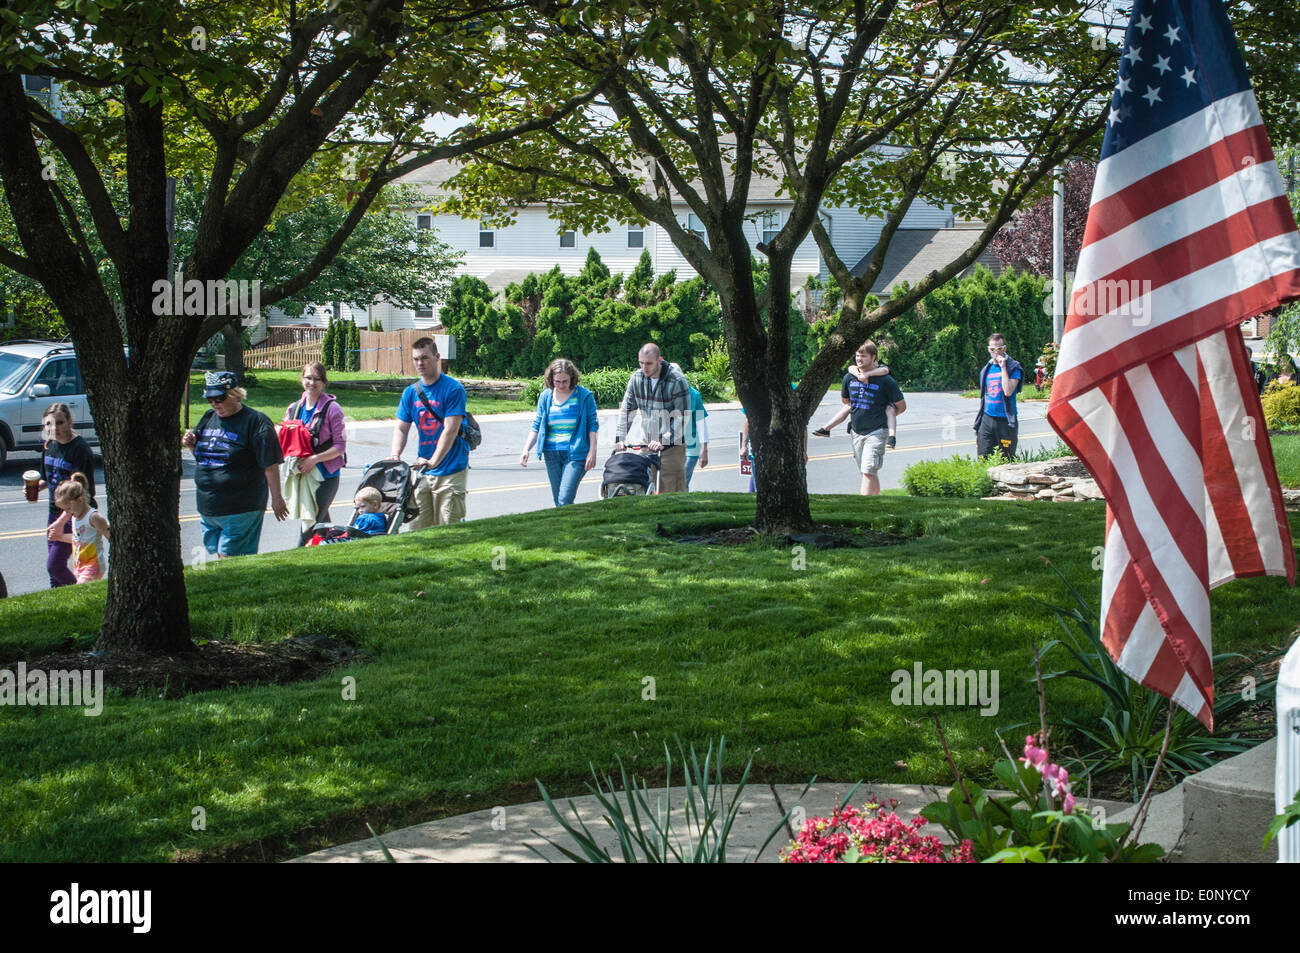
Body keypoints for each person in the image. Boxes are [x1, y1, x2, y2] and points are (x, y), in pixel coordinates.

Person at [182, 371, 288, 557]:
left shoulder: (256, 422)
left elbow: (270, 465)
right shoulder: (208, 418)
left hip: (241, 506)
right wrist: (192, 446)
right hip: (208, 507)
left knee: (231, 560)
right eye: (210, 399)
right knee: (222, 558)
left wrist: (277, 499)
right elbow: (205, 458)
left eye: (219, 398)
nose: (214, 404)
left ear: (234, 394)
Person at [391, 337, 469, 528]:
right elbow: (401, 427)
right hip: (423, 471)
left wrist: (433, 461)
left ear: (437, 357)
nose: (420, 363)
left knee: (448, 528)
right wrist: (395, 455)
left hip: (451, 470)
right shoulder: (411, 392)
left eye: (425, 358)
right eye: (416, 359)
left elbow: (450, 430)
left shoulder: (453, 389)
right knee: (418, 529)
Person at [31, 402, 97, 588]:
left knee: (55, 566)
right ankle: (57, 608)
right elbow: (48, 479)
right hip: (54, 512)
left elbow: (83, 492)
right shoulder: (49, 446)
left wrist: (61, 522)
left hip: (75, 515)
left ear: (69, 421)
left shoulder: (79, 449)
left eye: (59, 423)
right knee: (54, 573)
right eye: (49, 424)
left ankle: (82, 592)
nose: (54, 428)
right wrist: (36, 487)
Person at [519, 358, 600, 507]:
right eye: (557, 381)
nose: (561, 385)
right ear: (551, 379)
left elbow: (593, 425)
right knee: (558, 501)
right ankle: (568, 529)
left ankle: (572, 528)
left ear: (572, 378)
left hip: (576, 454)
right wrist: (526, 449)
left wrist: (592, 452)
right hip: (551, 453)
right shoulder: (546, 396)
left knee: (565, 498)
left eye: (565, 381)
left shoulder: (584, 396)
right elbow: (537, 425)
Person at [829, 341, 905, 495]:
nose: (859, 359)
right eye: (857, 356)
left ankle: (865, 505)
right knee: (868, 472)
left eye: (863, 356)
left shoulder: (886, 381)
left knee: (868, 471)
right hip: (856, 431)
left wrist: (887, 415)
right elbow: (846, 401)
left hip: (877, 431)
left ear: (874, 357)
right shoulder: (849, 378)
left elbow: (901, 406)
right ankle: (875, 504)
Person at [284, 362, 347, 546]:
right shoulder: (294, 408)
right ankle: (330, 549)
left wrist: (314, 459)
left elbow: (340, 446)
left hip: (326, 475)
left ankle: (295, 556)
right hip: (303, 475)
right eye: (308, 378)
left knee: (311, 520)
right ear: (302, 379)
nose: (312, 383)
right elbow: (287, 438)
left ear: (324, 382)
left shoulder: (333, 409)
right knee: (321, 523)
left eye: (316, 379)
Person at [614, 343, 691, 493]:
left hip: (672, 446)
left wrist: (663, 440)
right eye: (641, 363)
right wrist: (620, 438)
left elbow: (682, 417)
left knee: (671, 494)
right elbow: (626, 410)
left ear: (659, 360)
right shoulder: (636, 378)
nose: (644, 367)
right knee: (644, 490)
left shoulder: (676, 380)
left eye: (649, 363)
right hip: (646, 444)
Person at [813, 356, 898, 448]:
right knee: (848, 406)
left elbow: (885, 370)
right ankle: (826, 428)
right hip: (865, 401)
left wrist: (866, 375)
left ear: (874, 360)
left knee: (890, 410)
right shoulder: (857, 370)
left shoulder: (882, 369)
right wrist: (859, 375)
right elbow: (851, 368)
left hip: (884, 402)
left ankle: (892, 437)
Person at [47, 472, 110, 584]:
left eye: (69, 508)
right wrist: (60, 537)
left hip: (93, 565)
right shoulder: (76, 516)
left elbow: (111, 535)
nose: (68, 513)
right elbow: (78, 539)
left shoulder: (93, 517)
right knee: (85, 594)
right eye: (65, 510)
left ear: (80, 500)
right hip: (80, 565)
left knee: (81, 590)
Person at [974, 333, 1023, 459]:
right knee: (983, 456)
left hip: (1005, 421)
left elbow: (1007, 391)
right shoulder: (987, 368)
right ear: (988, 350)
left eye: (999, 349)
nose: (996, 352)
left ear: (1004, 349)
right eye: (992, 349)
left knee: (1006, 458)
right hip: (988, 418)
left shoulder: (1013, 368)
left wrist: (1003, 368)